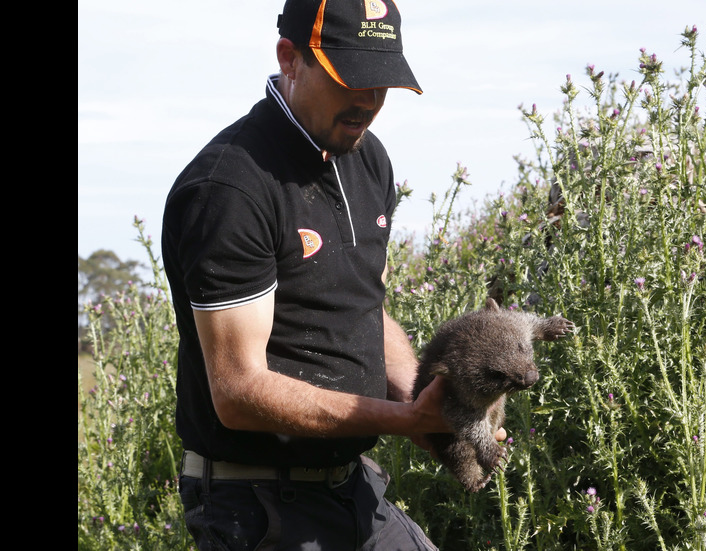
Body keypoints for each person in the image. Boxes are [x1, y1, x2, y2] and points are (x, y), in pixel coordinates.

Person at [162, 1, 502, 549]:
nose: (368, 101)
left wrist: (431, 402)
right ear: (290, 59)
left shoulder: (368, 160)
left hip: (351, 486)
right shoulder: (230, 190)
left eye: (382, 81)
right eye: (352, 78)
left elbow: (366, 306)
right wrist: (402, 419)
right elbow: (238, 392)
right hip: (254, 505)